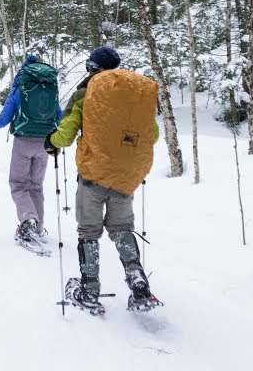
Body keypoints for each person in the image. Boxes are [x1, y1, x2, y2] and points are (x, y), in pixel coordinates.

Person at [44, 45, 161, 313]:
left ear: (93, 68)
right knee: (121, 229)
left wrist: (51, 142)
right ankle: (138, 282)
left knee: (88, 232)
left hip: (93, 174)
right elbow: (151, 135)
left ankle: (89, 290)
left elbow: (65, 134)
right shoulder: (133, 97)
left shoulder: (85, 94)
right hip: (125, 177)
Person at [0, 53, 62, 252]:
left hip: (24, 142)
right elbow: (59, 117)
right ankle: (38, 227)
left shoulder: (19, 89)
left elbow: (3, 120)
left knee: (18, 184)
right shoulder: (49, 88)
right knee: (36, 186)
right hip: (45, 142)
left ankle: (28, 221)